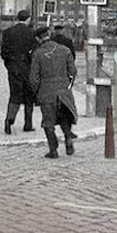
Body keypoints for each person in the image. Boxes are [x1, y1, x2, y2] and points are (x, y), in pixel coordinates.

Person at [30, 26, 78, 158]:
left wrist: (37, 92)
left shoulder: (38, 53)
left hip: (46, 92)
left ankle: (53, 150)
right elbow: (73, 72)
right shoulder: (65, 50)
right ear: (49, 34)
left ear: (38, 39)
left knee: (48, 122)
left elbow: (34, 78)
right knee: (64, 117)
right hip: (64, 91)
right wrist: (68, 86)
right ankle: (68, 137)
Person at [0, 9, 37, 134]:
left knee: (14, 95)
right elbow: (35, 53)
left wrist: (10, 65)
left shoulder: (8, 32)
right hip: (27, 69)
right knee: (29, 97)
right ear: (28, 19)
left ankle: (9, 121)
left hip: (13, 68)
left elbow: (3, 53)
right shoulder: (31, 33)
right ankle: (28, 124)